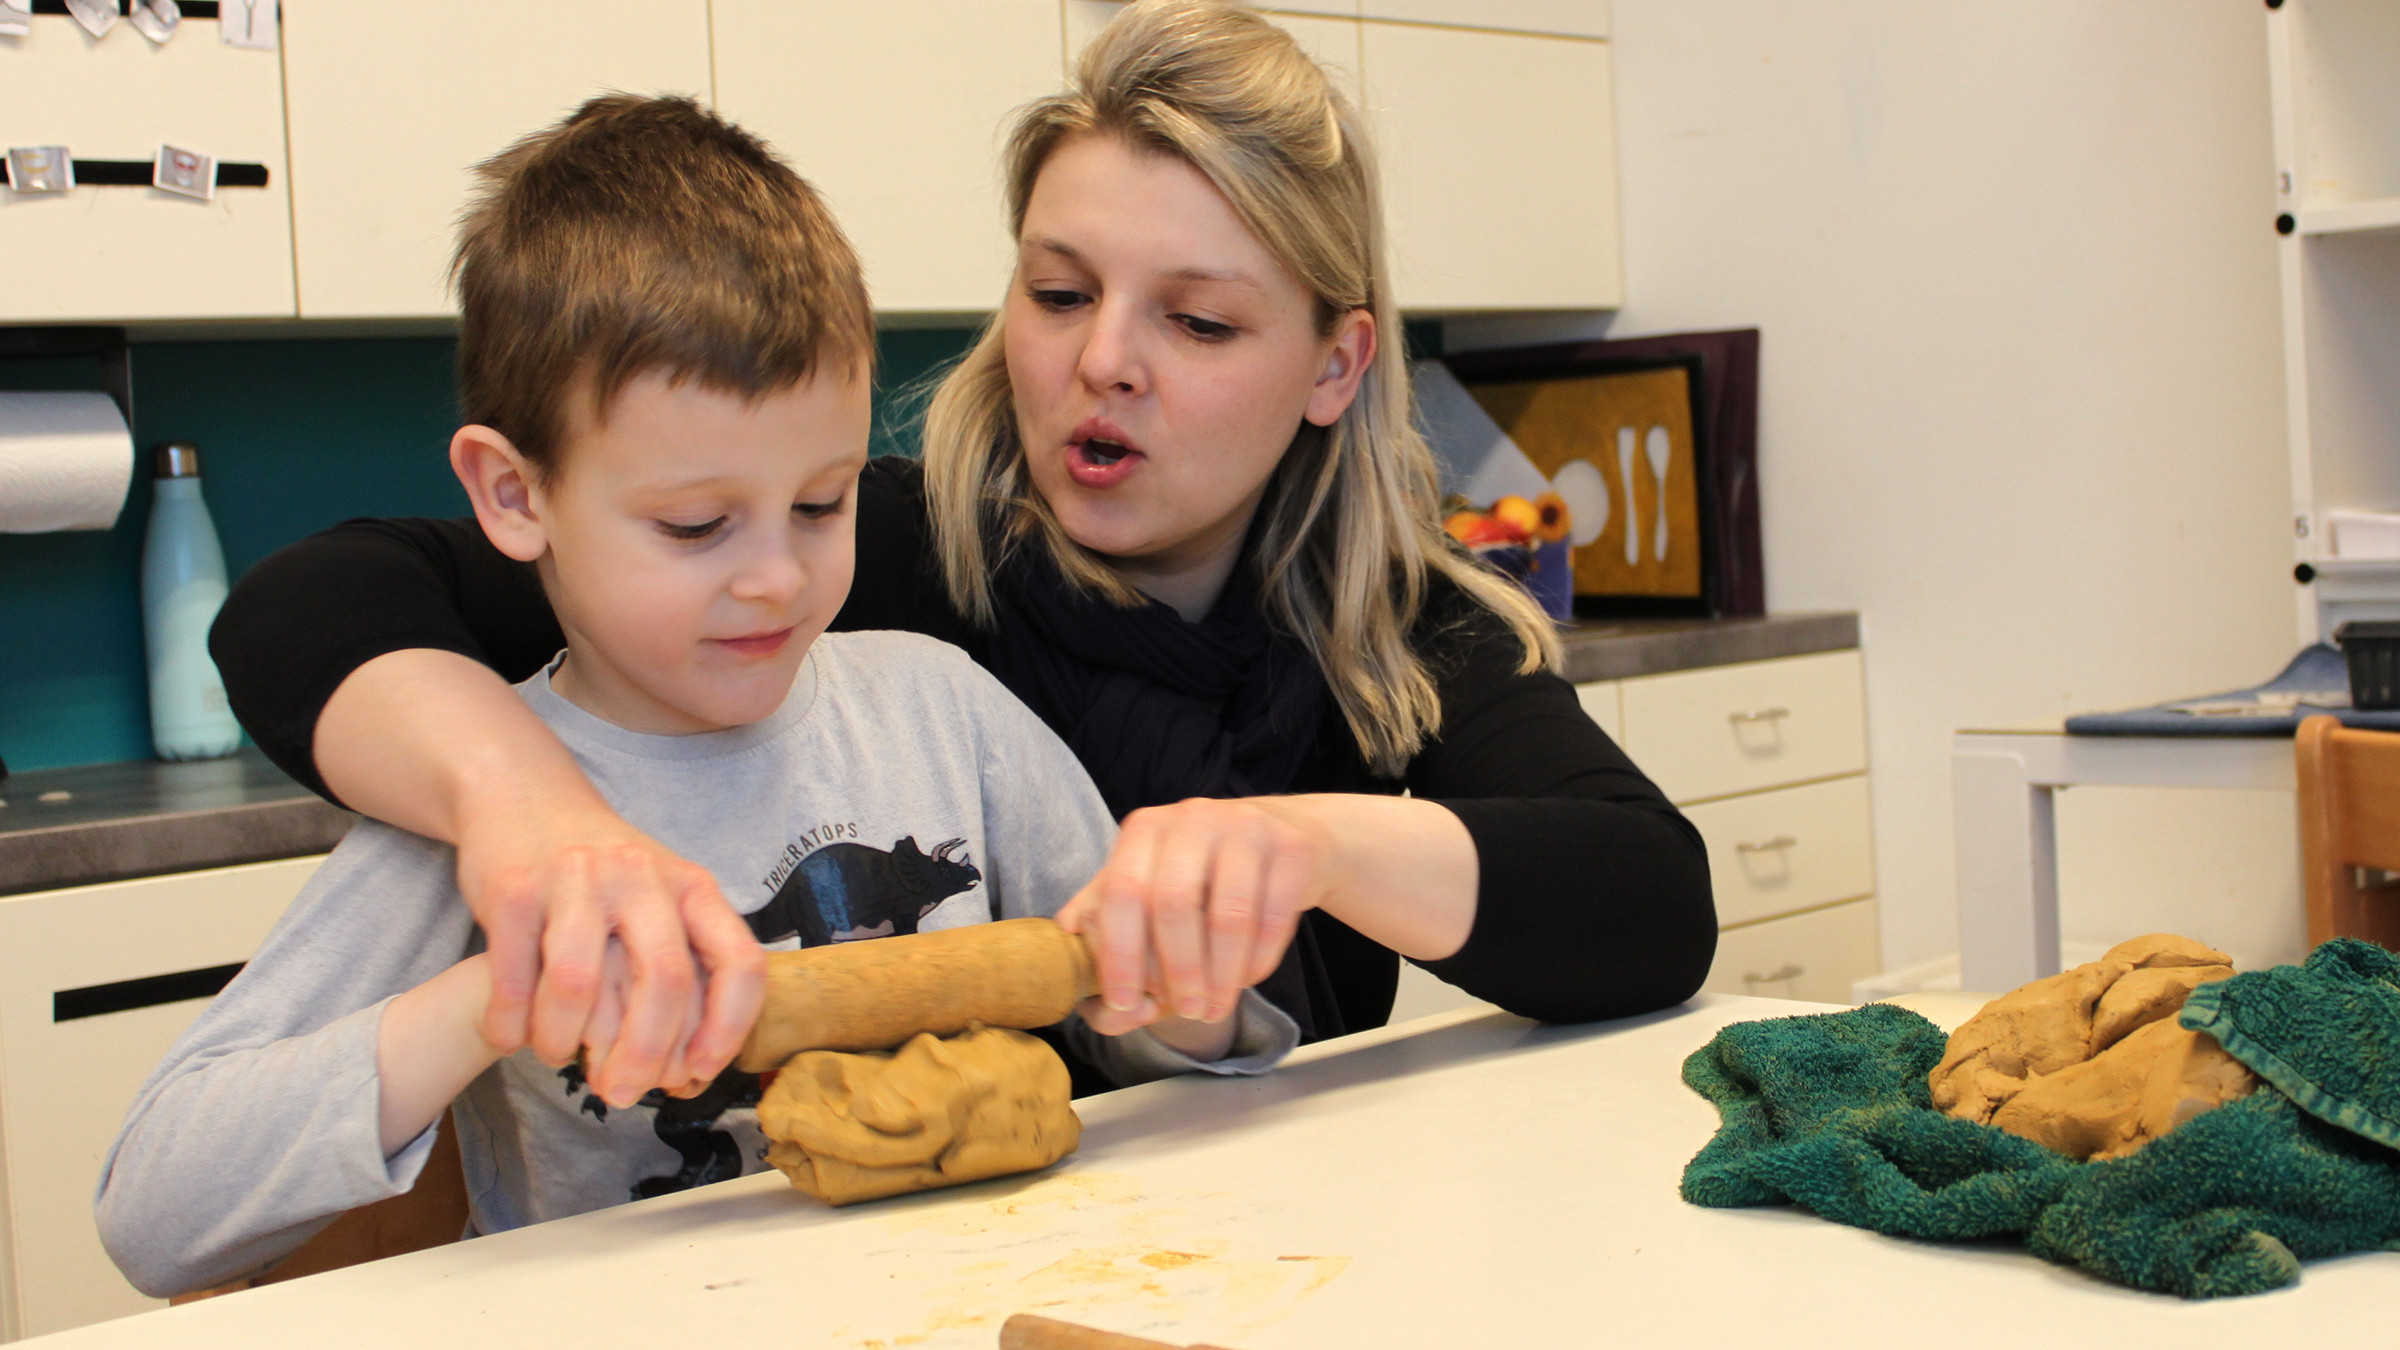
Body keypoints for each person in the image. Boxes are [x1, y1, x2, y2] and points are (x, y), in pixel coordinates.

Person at [210, 0, 1718, 1100]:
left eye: (1195, 320)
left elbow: (1650, 902)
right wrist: (524, 807)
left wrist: (1311, 843)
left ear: (1334, 368)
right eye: (1061, 292)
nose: (1105, 362)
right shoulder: (854, 551)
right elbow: (310, 604)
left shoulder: (1392, 629)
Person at [99, 95, 1294, 1300]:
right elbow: (154, 1214)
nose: (777, 574)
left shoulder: (942, 712)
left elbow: (1168, 1053)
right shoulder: (490, 835)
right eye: (695, 524)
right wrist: (487, 1004)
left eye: (822, 503)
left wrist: (1187, 1008)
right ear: (515, 497)